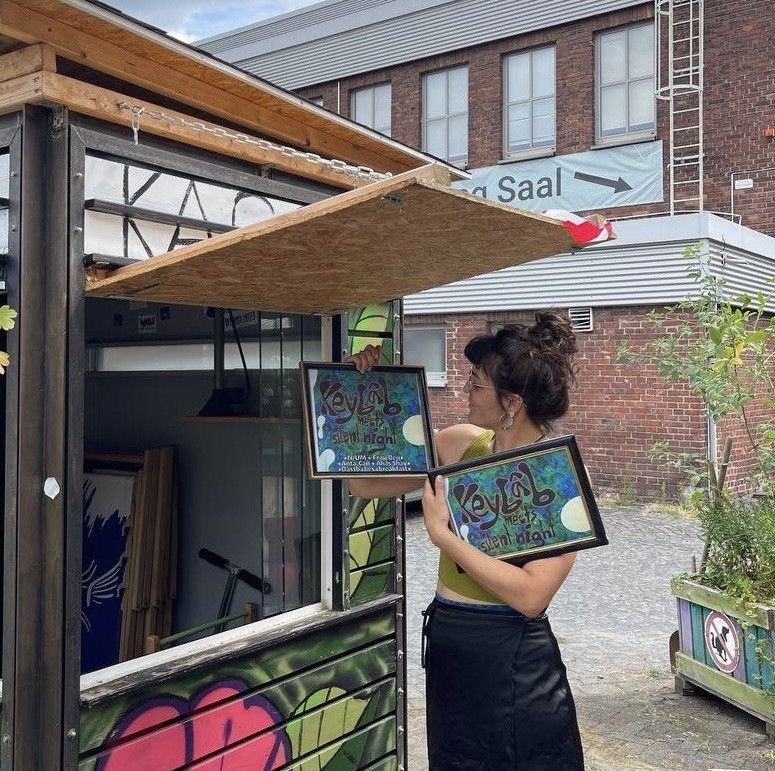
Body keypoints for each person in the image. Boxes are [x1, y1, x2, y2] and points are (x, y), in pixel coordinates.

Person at [347, 312, 584, 770]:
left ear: (511, 401)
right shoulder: (461, 446)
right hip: (451, 648)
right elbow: (364, 483)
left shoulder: (559, 475)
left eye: (475, 384)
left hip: (512, 661)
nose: (465, 392)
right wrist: (366, 391)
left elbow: (532, 596)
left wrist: (444, 537)